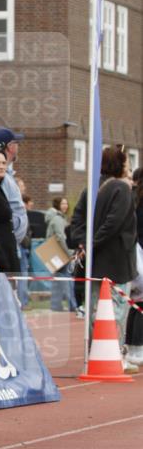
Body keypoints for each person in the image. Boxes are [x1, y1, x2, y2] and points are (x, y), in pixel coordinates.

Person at [69, 146, 137, 372]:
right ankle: (115, 353)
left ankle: (96, 352)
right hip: (117, 260)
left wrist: (84, 244)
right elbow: (114, 223)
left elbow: (77, 219)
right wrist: (92, 243)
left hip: (94, 262)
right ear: (119, 164)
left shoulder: (90, 188)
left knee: (94, 309)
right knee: (116, 309)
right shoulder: (122, 189)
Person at [124, 167, 143, 367]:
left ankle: (132, 345)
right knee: (140, 303)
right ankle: (137, 347)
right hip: (139, 253)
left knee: (134, 303)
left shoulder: (132, 198)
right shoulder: (134, 199)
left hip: (134, 252)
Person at [44, 197, 77, 312]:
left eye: (66, 203)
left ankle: (55, 305)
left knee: (58, 280)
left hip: (51, 251)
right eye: (63, 203)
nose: (65, 206)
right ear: (57, 205)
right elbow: (60, 238)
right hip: (57, 252)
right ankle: (72, 305)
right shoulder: (58, 219)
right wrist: (68, 253)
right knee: (66, 279)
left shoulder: (55, 218)